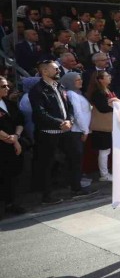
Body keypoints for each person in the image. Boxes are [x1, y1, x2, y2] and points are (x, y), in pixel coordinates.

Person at [29, 60, 84, 204]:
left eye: (58, 68)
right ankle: (47, 196)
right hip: (48, 133)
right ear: (44, 71)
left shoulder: (60, 86)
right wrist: (60, 122)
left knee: (75, 157)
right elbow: (40, 113)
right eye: (55, 69)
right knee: (47, 164)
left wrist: (70, 120)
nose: (59, 71)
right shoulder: (37, 90)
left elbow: (69, 107)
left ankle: (76, 188)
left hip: (66, 131)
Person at [60, 72, 96, 193]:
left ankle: (75, 183)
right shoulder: (72, 94)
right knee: (75, 160)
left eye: (80, 79)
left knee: (76, 160)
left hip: (79, 130)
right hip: (76, 131)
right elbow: (77, 114)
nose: (80, 81)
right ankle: (76, 188)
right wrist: (85, 130)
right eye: (77, 80)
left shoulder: (76, 94)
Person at [0, 76, 28, 216]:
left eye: (7, 86)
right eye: (3, 86)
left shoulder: (9, 103)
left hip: (12, 145)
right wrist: (11, 139)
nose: (7, 88)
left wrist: (16, 136)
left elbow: (20, 121)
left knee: (12, 175)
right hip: (3, 145)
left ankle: (11, 203)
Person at [86, 71, 118, 182]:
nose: (110, 77)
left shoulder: (107, 90)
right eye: (107, 76)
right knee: (104, 150)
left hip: (109, 124)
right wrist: (116, 106)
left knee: (108, 150)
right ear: (100, 79)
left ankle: (108, 172)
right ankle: (104, 174)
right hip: (102, 126)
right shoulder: (97, 93)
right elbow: (103, 108)